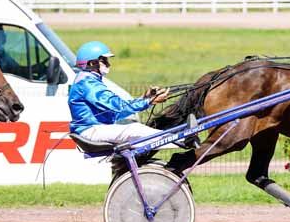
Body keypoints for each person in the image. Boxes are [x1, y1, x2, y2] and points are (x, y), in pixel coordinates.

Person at [68, 41, 197, 148]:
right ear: (92, 63)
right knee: (133, 130)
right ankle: (181, 140)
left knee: (135, 130)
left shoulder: (89, 80)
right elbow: (119, 107)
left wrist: (145, 98)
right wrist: (149, 102)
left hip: (95, 128)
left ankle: (179, 139)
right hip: (91, 131)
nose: (109, 64)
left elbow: (117, 113)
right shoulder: (88, 84)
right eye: (105, 61)